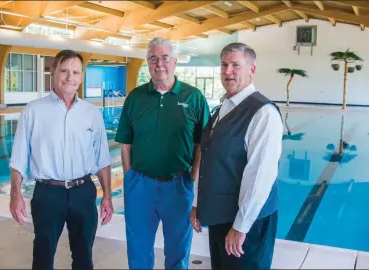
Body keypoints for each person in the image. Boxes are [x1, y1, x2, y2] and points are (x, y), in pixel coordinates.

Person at [9, 50, 113, 270]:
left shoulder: (91, 113)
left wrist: (108, 197)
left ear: (81, 77)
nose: (70, 77)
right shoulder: (34, 111)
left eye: (75, 72)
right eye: (64, 71)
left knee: (84, 256)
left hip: (83, 191)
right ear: (53, 71)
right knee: (43, 255)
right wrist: (15, 195)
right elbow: (19, 157)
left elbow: (102, 160)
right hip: (48, 193)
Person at [114, 37, 210, 269]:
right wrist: (129, 177)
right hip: (140, 185)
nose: (159, 63)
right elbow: (125, 143)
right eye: (153, 58)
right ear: (148, 63)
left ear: (175, 62)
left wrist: (193, 176)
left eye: (165, 58)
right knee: (138, 249)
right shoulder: (135, 97)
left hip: (178, 184)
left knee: (178, 251)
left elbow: (202, 144)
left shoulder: (193, 97)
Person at [191, 42, 283, 270]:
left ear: (251, 69)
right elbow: (209, 159)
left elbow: (260, 175)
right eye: (224, 65)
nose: (227, 71)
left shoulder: (263, 113)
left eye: (235, 65)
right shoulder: (223, 109)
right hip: (220, 217)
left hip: (246, 222)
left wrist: (241, 226)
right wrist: (197, 205)